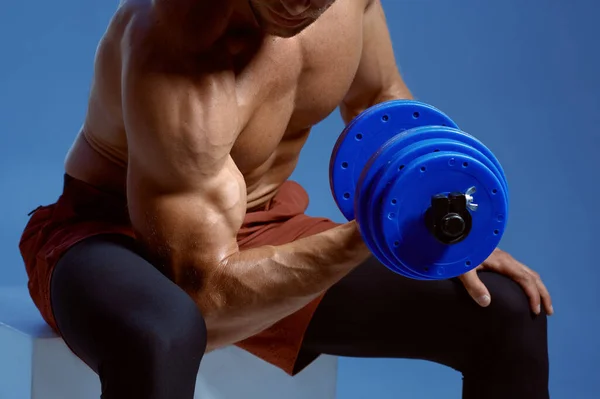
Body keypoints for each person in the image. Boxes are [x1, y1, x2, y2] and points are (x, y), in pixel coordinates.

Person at [19, 0, 553, 398]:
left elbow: (381, 101)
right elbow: (201, 292)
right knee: (163, 332)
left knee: (507, 310)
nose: (298, 4)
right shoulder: (176, 43)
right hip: (111, 236)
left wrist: (439, 224)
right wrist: (383, 230)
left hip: (259, 222)